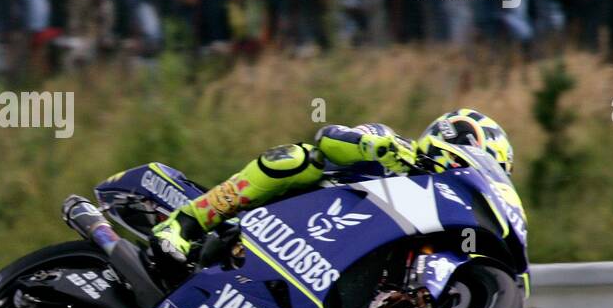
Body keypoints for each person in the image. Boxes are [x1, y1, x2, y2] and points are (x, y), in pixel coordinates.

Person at [150, 110, 515, 266]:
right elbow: (329, 137)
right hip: (289, 217)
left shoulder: (439, 216)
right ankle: (183, 225)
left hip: (327, 254)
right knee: (298, 158)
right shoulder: (393, 146)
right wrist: (374, 147)